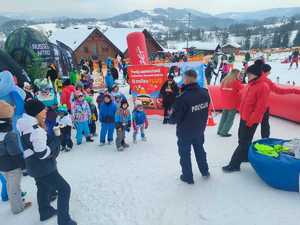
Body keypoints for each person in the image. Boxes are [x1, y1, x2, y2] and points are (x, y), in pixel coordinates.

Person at [17, 99, 77, 225]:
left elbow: (33, 145)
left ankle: (45, 211)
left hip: (32, 165)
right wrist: (56, 139)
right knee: (64, 189)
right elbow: (43, 154)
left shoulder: (24, 125)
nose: (45, 111)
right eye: (43, 109)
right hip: (43, 167)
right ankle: (64, 220)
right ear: (36, 112)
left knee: (43, 187)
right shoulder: (36, 130)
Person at [222, 61, 270, 173]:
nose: (246, 76)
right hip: (244, 117)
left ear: (256, 74)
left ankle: (234, 164)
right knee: (242, 140)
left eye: (249, 74)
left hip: (251, 120)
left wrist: (251, 120)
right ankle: (245, 157)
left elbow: (260, 108)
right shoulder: (250, 85)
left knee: (243, 142)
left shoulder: (263, 87)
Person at [170, 70, 210, 184]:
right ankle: (205, 171)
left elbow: (174, 118)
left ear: (186, 79)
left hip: (185, 132)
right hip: (199, 129)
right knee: (200, 150)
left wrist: (171, 116)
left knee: (185, 154)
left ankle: (188, 177)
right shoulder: (204, 93)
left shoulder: (182, 98)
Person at [0, 100, 32, 214]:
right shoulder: (9, 135)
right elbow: (15, 152)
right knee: (15, 187)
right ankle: (17, 207)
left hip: (2, 166)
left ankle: (15, 202)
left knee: (9, 185)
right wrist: (23, 166)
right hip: (12, 166)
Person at [260, 63, 300, 138]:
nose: (270, 73)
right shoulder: (266, 81)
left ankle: (244, 141)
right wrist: (295, 90)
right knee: (264, 124)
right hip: (262, 107)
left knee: (253, 125)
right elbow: (279, 91)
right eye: (269, 71)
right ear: (266, 71)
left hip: (254, 106)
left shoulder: (255, 77)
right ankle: (265, 139)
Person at [217, 69, 243, 137]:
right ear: (236, 74)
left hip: (225, 102)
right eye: (239, 74)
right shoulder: (236, 82)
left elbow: (221, 90)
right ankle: (224, 132)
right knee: (230, 119)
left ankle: (220, 130)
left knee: (224, 117)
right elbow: (242, 89)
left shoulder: (224, 81)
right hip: (233, 103)